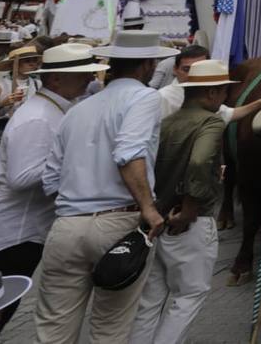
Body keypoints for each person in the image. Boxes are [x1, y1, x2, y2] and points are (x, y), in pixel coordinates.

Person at [34, 29, 178, 343]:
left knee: (53, 332)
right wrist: (149, 209)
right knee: (109, 330)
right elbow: (128, 154)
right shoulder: (144, 97)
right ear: (146, 65)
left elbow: (50, 180)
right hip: (118, 223)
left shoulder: (77, 110)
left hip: (67, 226)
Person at [0, 43, 103, 336]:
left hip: (24, 230)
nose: (89, 78)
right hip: (15, 234)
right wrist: (74, 161)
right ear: (55, 79)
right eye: (82, 73)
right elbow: (20, 178)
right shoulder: (38, 117)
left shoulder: (52, 110)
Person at [130, 60, 232, 344]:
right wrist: (190, 208)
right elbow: (199, 162)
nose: (225, 98)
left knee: (150, 301)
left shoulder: (168, 122)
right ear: (212, 93)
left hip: (159, 220)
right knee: (189, 295)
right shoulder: (210, 121)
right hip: (189, 222)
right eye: (224, 92)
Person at [157, 43, 261, 125]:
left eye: (200, 69)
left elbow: (228, 114)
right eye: (187, 69)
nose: (193, 75)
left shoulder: (207, 96)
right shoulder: (164, 97)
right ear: (175, 69)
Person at [0, 44, 41, 149]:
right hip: (3, 130)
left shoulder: (37, 83)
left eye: (34, 60)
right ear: (15, 64)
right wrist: (3, 103)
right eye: (27, 61)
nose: (32, 64)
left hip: (27, 130)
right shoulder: (1, 84)